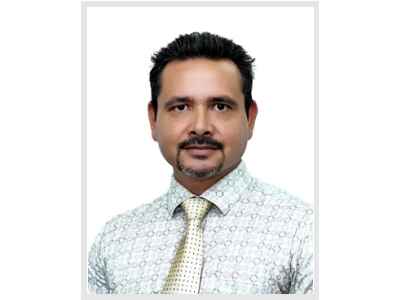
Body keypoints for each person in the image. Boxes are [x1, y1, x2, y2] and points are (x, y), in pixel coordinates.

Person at [88, 32, 314, 295]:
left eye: (220, 106)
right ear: (153, 119)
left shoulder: (304, 231)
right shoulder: (114, 241)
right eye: (181, 107)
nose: (200, 127)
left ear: (250, 118)